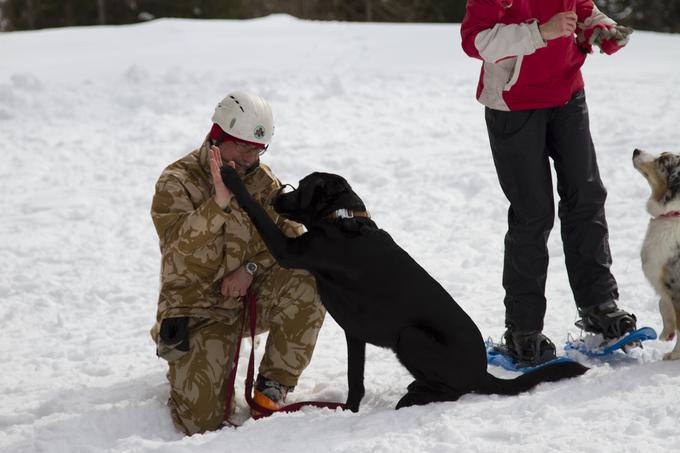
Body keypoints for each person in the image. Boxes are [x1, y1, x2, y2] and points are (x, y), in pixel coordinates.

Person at [461, 1, 637, 367]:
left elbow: (580, 9)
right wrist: (540, 32)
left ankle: (599, 308)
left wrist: (598, 26)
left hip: (568, 94)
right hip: (514, 103)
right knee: (533, 214)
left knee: (586, 197)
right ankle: (522, 330)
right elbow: (474, 41)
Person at [149, 90, 326, 434]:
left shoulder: (262, 180)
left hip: (249, 298)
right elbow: (176, 248)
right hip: (199, 308)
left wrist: (250, 269)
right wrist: (219, 202)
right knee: (201, 423)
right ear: (217, 136)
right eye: (242, 146)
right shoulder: (176, 181)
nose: (249, 158)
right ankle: (182, 356)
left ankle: (273, 386)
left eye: (257, 149)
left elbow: (292, 241)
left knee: (310, 276)